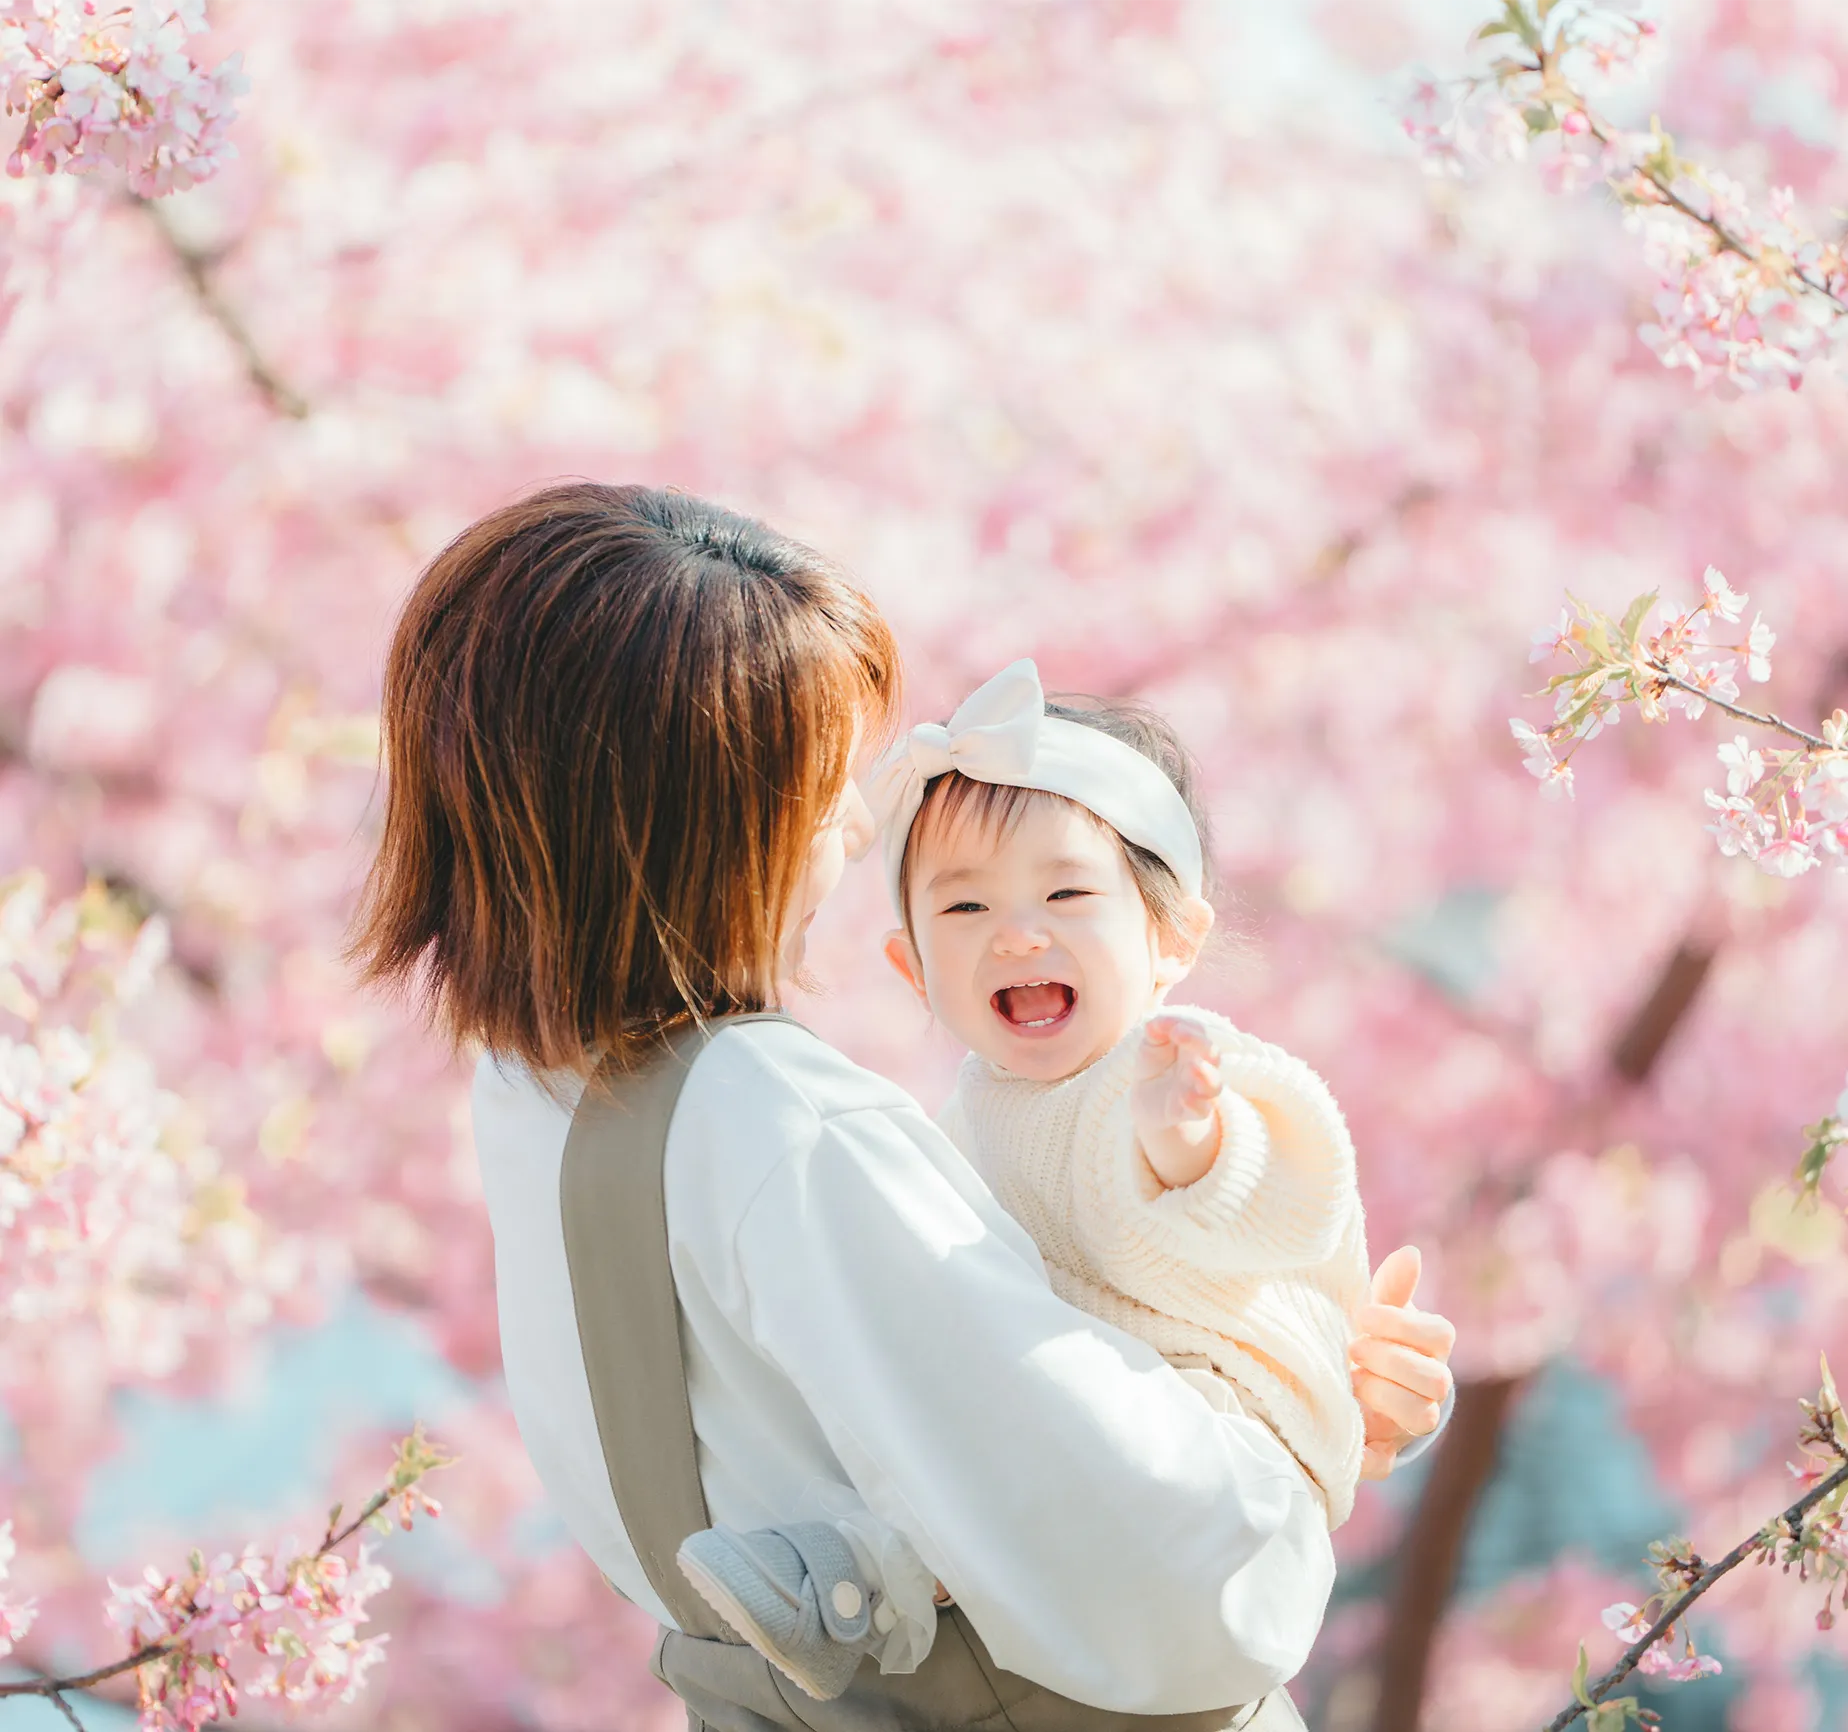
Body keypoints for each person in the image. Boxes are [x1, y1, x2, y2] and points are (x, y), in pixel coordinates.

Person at [351, 483, 1456, 1731]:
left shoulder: (538, 1091)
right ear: (702, 813)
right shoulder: (788, 1127)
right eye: (819, 782)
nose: (858, 817)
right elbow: (1186, 1589)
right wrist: (1291, 1438)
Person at [674, 662, 1376, 1708]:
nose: (1016, 930)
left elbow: (1286, 1186)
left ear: (1173, 935)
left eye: (1067, 892)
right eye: (964, 905)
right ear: (913, 969)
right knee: (954, 1451)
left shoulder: (1180, 1065)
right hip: (1104, 1424)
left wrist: (1187, 1138)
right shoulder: (972, 1111)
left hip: (1228, 1428)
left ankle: (873, 1580)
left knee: (1013, 1462)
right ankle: (861, 1587)